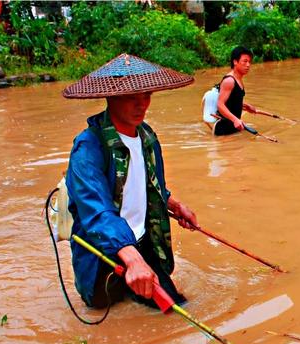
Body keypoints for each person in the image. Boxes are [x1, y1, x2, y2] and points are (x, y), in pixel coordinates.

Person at [63, 53, 199, 310]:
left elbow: (149, 185)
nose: (142, 105)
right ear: (111, 97)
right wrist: (132, 260)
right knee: (104, 315)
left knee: (174, 307)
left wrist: (175, 205)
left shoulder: (147, 137)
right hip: (103, 250)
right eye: (131, 98)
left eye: (146, 96)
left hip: (143, 241)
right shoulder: (89, 147)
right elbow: (97, 213)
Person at [213, 46, 257, 136]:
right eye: (245, 61)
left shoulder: (238, 79)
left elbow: (231, 101)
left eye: (249, 62)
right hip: (223, 131)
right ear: (235, 62)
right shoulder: (229, 81)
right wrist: (235, 119)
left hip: (234, 128)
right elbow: (220, 104)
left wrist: (245, 106)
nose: (248, 65)